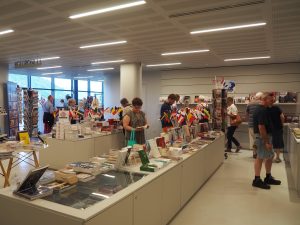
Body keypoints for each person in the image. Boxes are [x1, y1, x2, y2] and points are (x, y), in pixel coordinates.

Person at [252, 92, 281, 189]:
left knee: (269, 156)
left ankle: (268, 177)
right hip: (262, 137)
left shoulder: (264, 109)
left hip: (265, 136)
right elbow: (261, 127)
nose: (273, 100)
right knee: (260, 157)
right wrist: (267, 142)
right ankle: (256, 180)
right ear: (264, 100)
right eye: (270, 99)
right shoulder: (262, 111)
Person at [268, 95, 285, 163]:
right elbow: (282, 117)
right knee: (278, 143)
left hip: (269, 128)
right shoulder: (277, 108)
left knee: (269, 142)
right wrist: (282, 125)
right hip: (278, 128)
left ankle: (269, 156)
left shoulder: (265, 109)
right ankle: (277, 158)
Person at [246, 92, 262, 158]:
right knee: (259, 140)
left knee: (253, 140)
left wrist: (249, 121)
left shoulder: (249, 104)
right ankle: (259, 153)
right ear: (260, 97)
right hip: (259, 125)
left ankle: (254, 153)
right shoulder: (261, 104)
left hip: (251, 125)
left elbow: (247, 114)